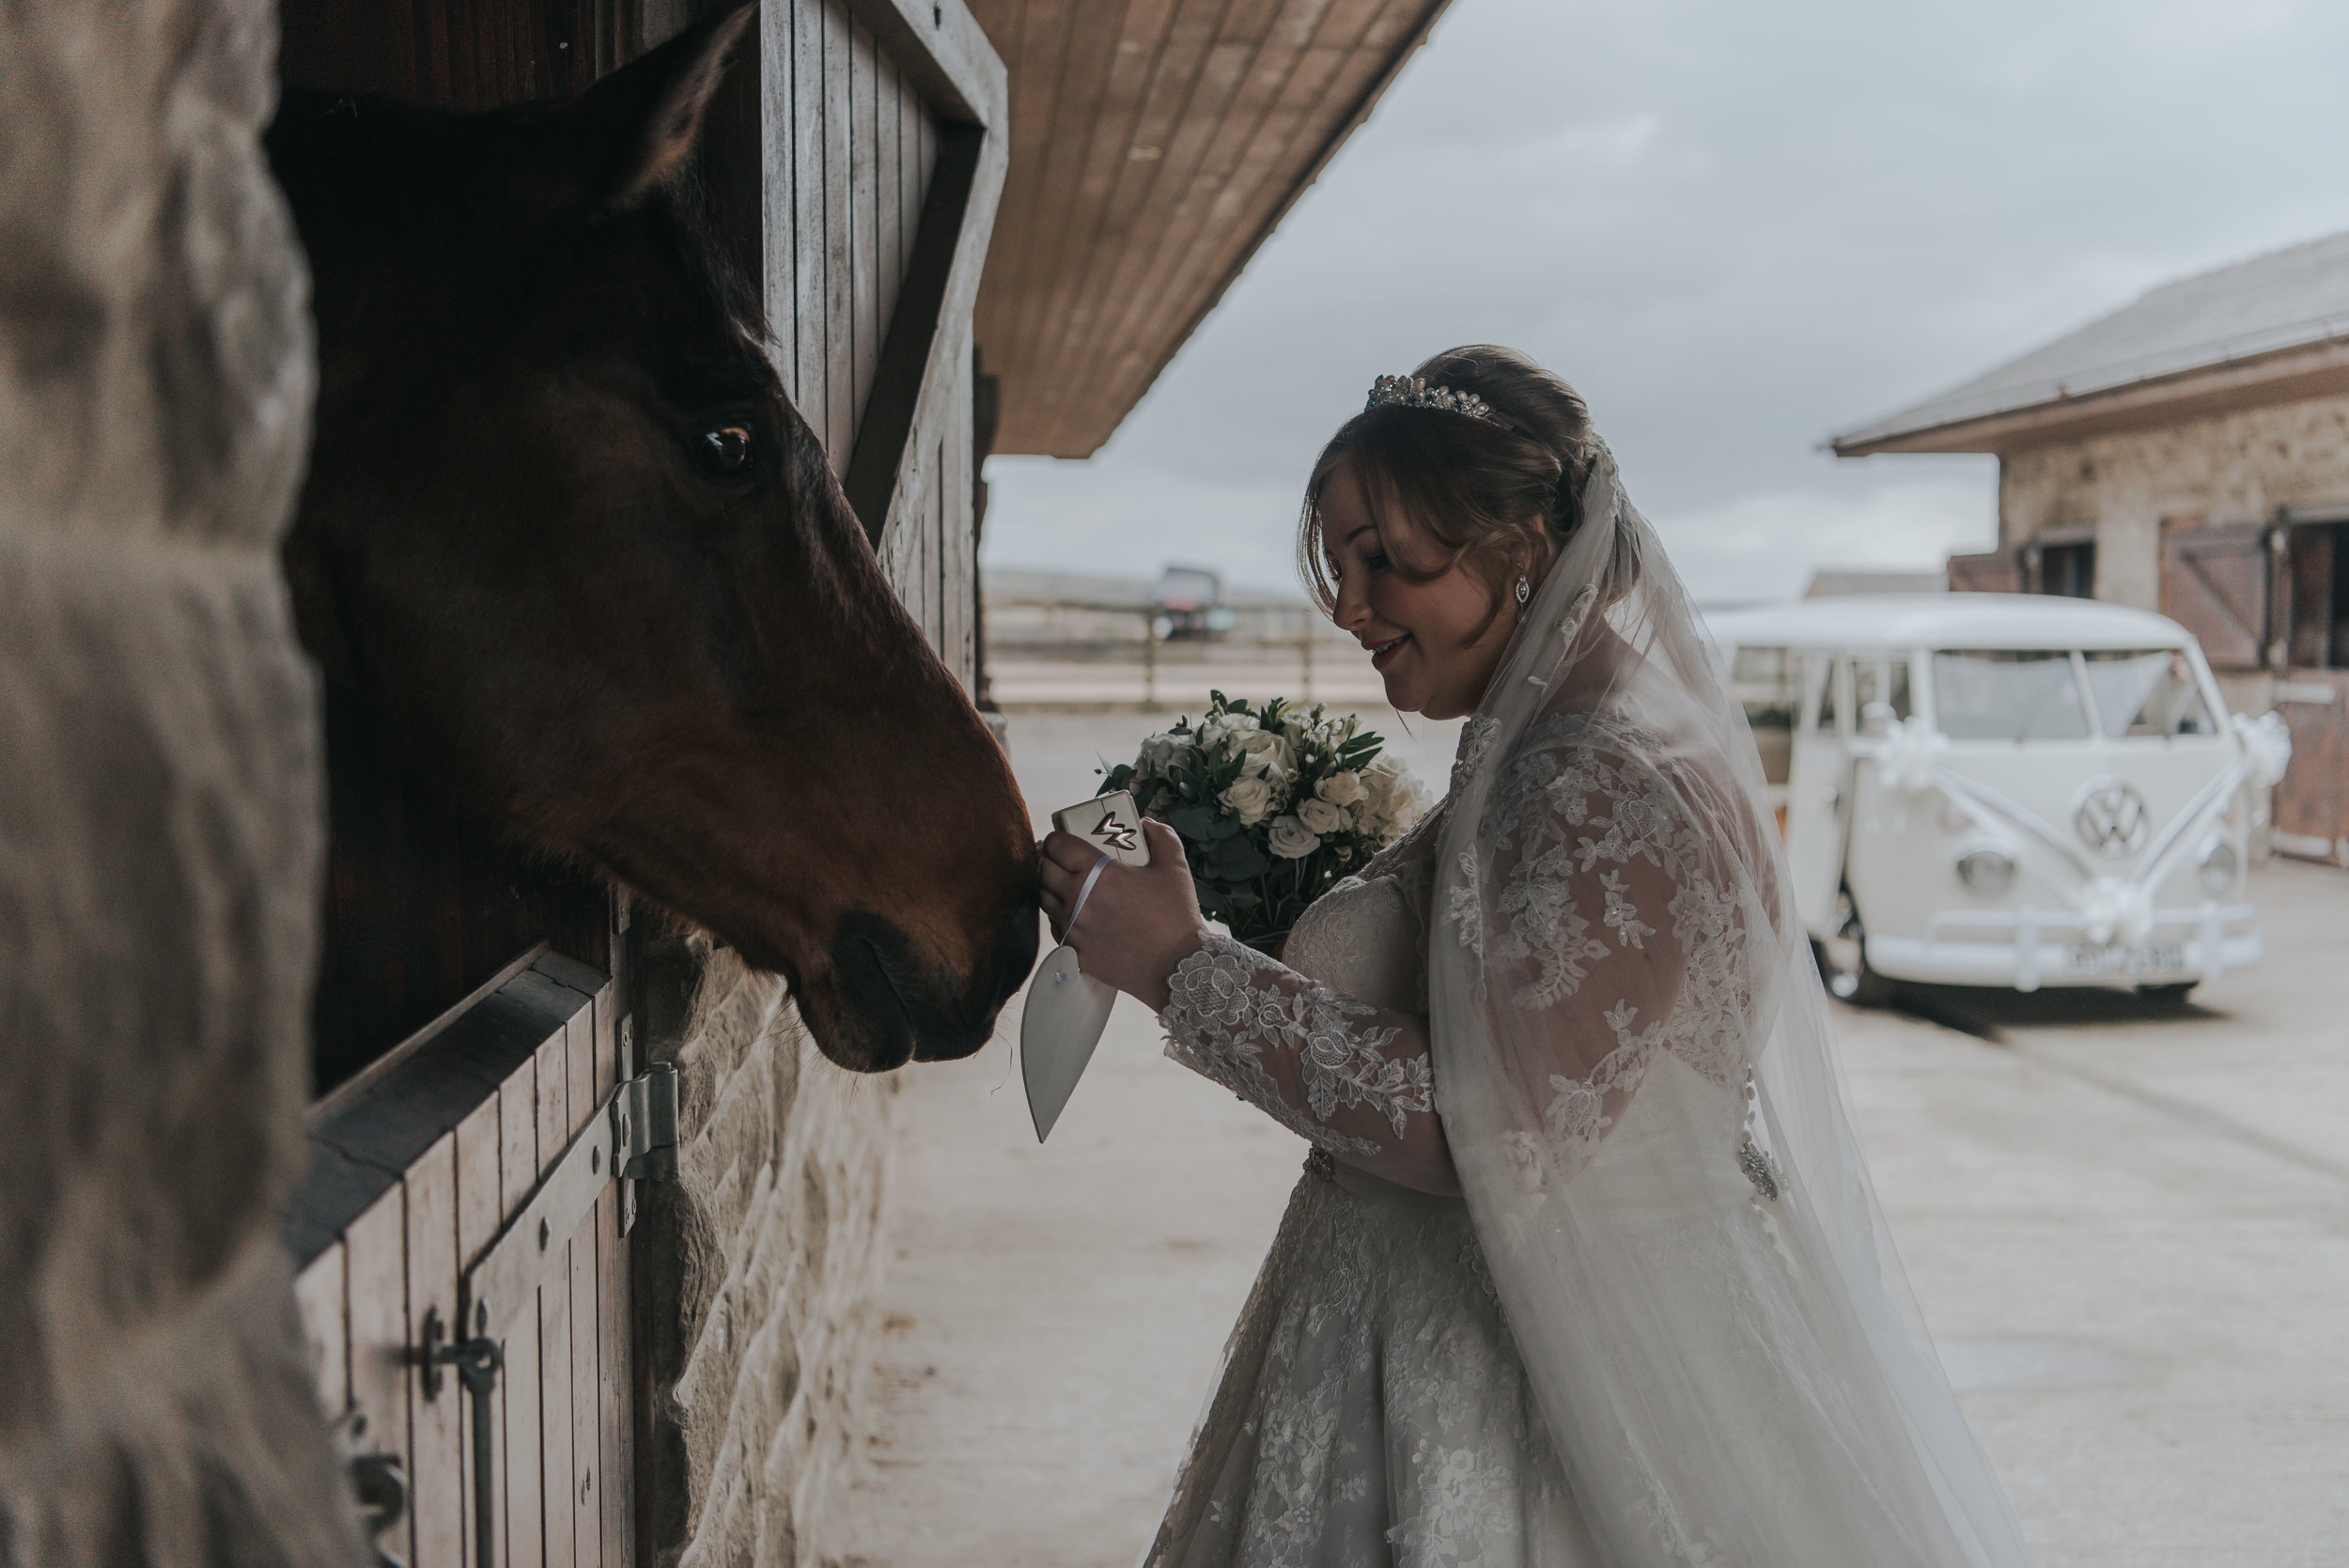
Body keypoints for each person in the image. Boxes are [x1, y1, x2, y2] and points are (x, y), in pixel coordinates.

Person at [1038, 346, 2033, 1568]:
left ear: (1516, 553)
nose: (1350, 605)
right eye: (1340, 564)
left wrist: (1184, 966)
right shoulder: (1580, 724)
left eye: (1387, 561)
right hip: (1507, 1325)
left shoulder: (1587, 774)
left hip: (1525, 1370)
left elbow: (1487, 1122)